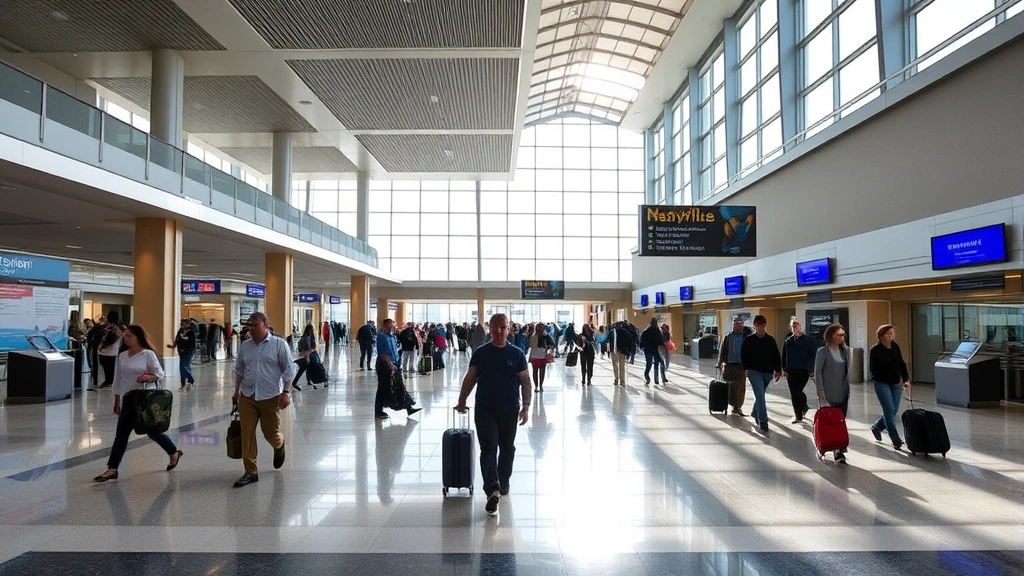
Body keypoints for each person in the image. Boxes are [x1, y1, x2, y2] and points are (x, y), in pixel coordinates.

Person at [455, 313, 531, 516]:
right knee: (488, 448)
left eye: (503, 327)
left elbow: (525, 381)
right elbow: (470, 377)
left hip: (510, 410)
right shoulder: (481, 352)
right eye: (495, 327)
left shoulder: (517, 354)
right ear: (490, 328)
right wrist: (462, 400)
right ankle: (492, 490)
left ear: (509, 329)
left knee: (507, 449)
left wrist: (526, 407)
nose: (499, 331)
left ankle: (503, 482)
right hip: (485, 409)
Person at [93, 325, 182, 482]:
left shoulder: (147, 354)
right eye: (125, 336)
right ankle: (112, 468)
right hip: (128, 399)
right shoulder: (122, 356)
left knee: (152, 431)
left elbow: (160, 373)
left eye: (129, 336)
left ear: (138, 338)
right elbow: (118, 379)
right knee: (121, 434)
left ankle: (173, 451)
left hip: (145, 400)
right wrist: (116, 399)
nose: (126, 339)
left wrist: (149, 377)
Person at [231, 312, 294, 487]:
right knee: (247, 434)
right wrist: (236, 392)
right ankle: (250, 471)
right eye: (248, 325)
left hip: (271, 396)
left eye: (254, 325)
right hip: (248, 396)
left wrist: (286, 392)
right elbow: (240, 371)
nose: (250, 329)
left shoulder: (279, 345)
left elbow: (288, 371)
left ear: (266, 325)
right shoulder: (245, 346)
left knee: (270, 433)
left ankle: (279, 444)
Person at [869, 324, 911, 450]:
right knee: (889, 410)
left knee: (893, 411)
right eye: (888, 333)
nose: (891, 335)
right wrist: (881, 376)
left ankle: (877, 427)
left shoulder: (895, 347)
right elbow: (873, 369)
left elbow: (901, 364)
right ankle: (895, 439)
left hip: (896, 382)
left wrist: (905, 379)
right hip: (882, 383)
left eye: (893, 333)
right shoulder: (875, 350)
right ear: (881, 336)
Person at [814, 323, 852, 464]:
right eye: (838, 335)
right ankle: (823, 446)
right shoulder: (822, 352)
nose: (841, 337)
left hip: (843, 392)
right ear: (830, 336)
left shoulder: (846, 351)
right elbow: (818, 373)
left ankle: (840, 450)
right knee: (828, 421)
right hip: (828, 393)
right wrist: (820, 391)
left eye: (843, 335)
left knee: (840, 422)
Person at [740, 315, 782, 432]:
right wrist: (745, 368)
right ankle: (763, 421)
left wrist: (778, 370)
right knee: (760, 395)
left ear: (764, 325)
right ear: (754, 326)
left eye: (761, 326)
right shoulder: (749, 340)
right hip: (754, 371)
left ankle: (755, 412)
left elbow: (776, 356)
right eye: (757, 326)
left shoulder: (770, 340)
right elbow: (743, 355)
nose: (759, 328)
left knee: (760, 395)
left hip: (767, 372)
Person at [375, 318, 421, 419]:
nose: (393, 326)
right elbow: (383, 353)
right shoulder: (382, 336)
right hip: (385, 365)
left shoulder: (391, 336)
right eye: (391, 325)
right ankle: (378, 411)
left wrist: (395, 364)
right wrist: (390, 366)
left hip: (394, 364)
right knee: (383, 388)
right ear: (386, 325)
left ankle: (408, 407)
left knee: (399, 386)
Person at [781, 319, 817, 423]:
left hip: (803, 370)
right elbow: (784, 355)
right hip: (791, 370)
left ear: (801, 327)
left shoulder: (809, 340)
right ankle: (798, 415)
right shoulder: (788, 341)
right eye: (793, 326)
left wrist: (810, 369)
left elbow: (813, 355)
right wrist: (784, 368)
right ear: (791, 328)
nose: (796, 328)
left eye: (797, 326)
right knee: (794, 392)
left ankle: (804, 406)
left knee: (798, 391)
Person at [718, 316, 751, 416]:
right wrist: (720, 364)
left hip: (741, 366)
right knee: (730, 387)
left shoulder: (746, 337)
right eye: (735, 323)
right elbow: (722, 351)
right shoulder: (728, 337)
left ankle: (738, 407)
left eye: (740, 323)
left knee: (741, 388)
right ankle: (729, 404)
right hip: (730, 365)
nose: (737, 325)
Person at [96, 312, 123, 389]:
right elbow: (122, 338)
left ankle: (108, 381)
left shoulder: (104, 327)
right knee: (111, 368)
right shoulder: (120, 328)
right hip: (113, 351)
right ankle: (110, 381)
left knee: (106, 368)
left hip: (102, 351)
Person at [168, 319, 197, 390]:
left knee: (183, 366)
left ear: (188, 325)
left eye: (184, 324)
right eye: (182, 324)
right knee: (184, 367)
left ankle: (191, 380)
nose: (182, 325)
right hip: (181, 352)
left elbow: (187, 340)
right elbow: (177, 339)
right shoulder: (180, 331)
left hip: (188, 351)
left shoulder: (191, 332)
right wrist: (173, 346)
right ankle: (184, 384)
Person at [526, 323, 554, 393]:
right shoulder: (545, 336)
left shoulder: (531, 336)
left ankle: (536, 386)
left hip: (534, 356)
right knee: (542, 372)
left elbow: (528, 345)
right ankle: (540, 386)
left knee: (535, 372)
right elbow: (552, 343)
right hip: (542, 356)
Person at [292, 323, 318, 391]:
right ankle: (296, 382)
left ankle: (308, 381)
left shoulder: (305, 337)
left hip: (304, 357)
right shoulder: (307, 338)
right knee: (304, 369)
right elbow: (308, 349)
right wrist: (311, 352)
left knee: (304, 369)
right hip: (305, 357)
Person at [640, 318, 666, 386]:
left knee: (649, 363)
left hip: (648, 350)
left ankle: (647, 377)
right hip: (656, 350)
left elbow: (642, 342)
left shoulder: (646, 331)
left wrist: (643, 346)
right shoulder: (658, 331)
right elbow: (661, 341)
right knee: (659, 363)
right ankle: (658, 378)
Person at [609, 322, 633, 386]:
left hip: (614, 351)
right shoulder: (625, 332)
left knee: (615, 366)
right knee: (622, 366)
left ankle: (616, 379)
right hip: (622, 351)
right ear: (621, 325)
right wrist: (629, 351)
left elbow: (609, 341)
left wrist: (609, 351)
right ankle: (622, 381)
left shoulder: (612, 332)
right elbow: (630, 340)